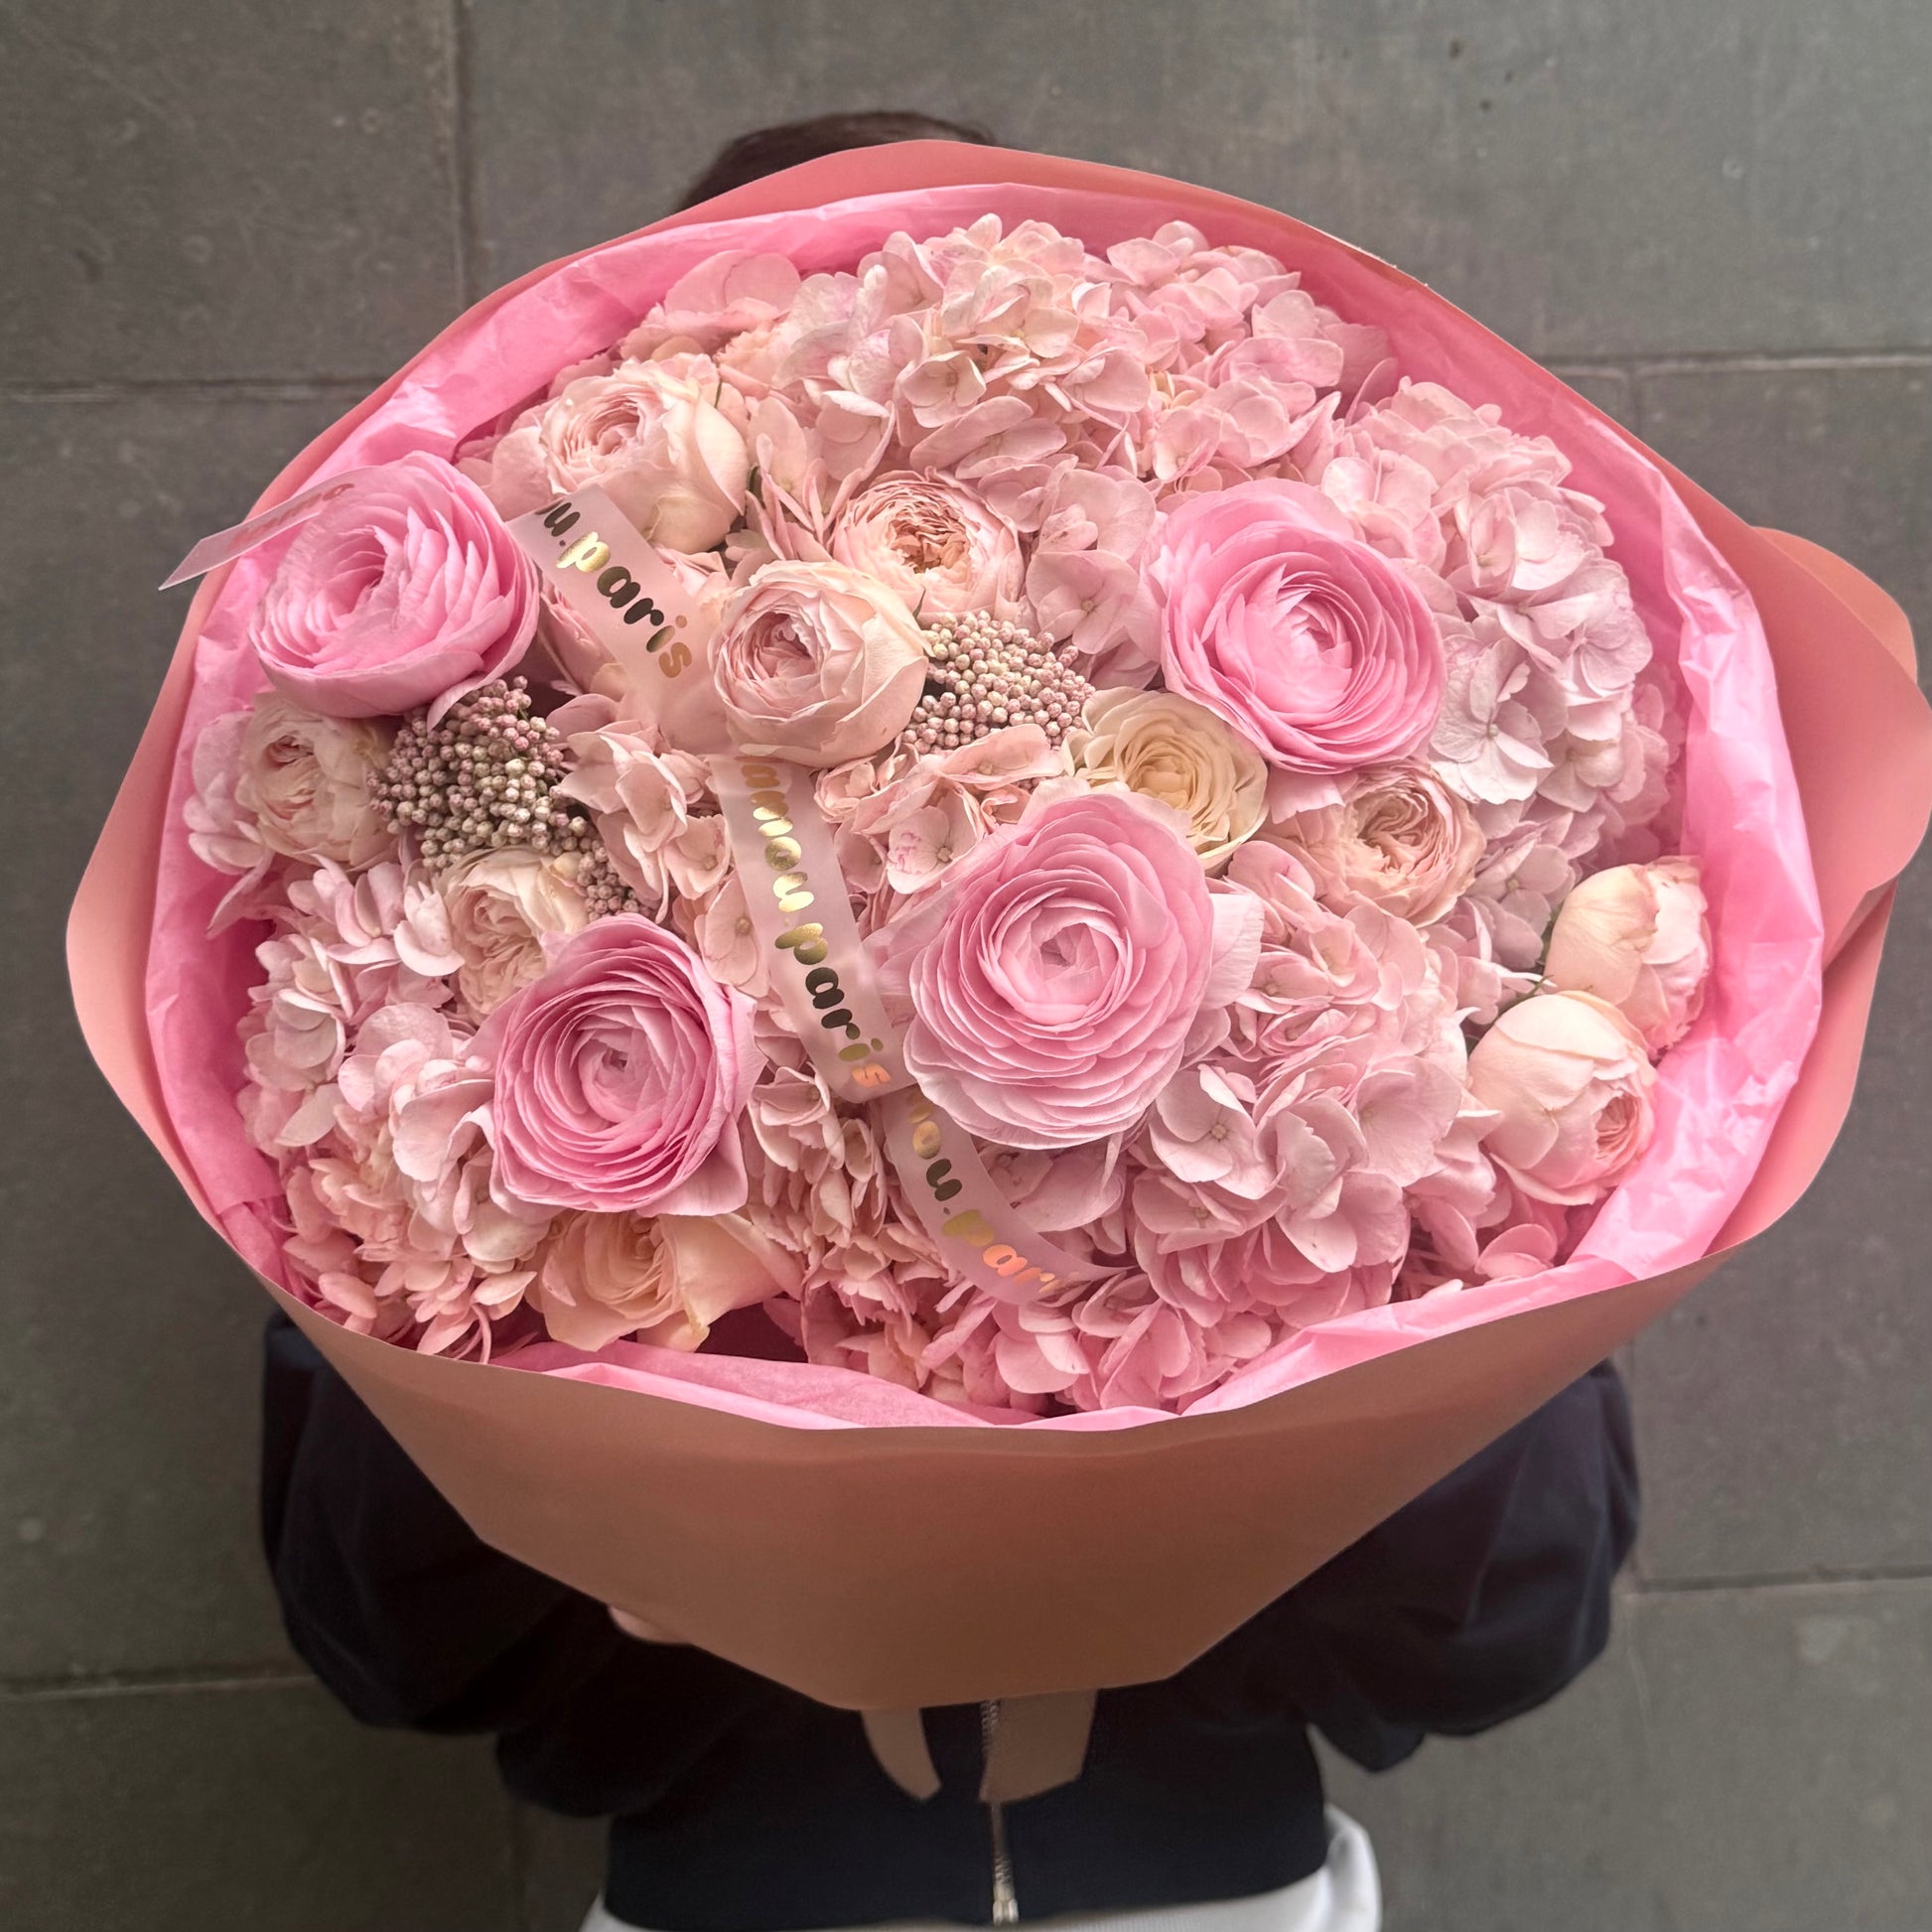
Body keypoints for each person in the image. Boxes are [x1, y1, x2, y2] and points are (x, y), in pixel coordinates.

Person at [260, 115, 1640, 1932]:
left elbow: (1520, 1618)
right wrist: (588, 1496)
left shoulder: (1384, 967)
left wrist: (1357, 1343)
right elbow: (388, 1640)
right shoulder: (464, 985)